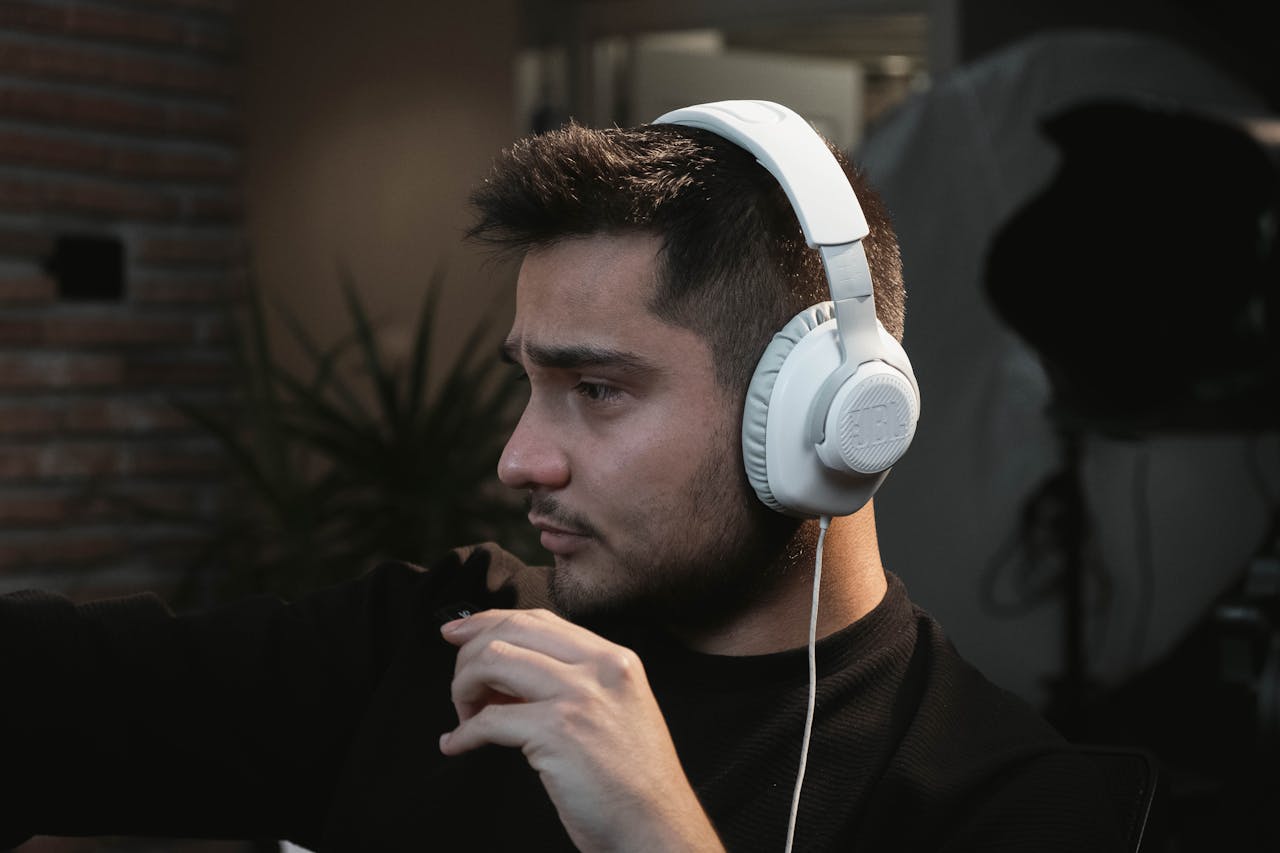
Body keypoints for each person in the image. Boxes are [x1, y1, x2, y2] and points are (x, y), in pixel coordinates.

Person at [0, 104, 1122, 852]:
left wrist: (656, 838)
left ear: (826, 414)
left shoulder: (1016, 803)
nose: (518, 459)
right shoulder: (444, 645)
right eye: (529, 384)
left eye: (595, 388)